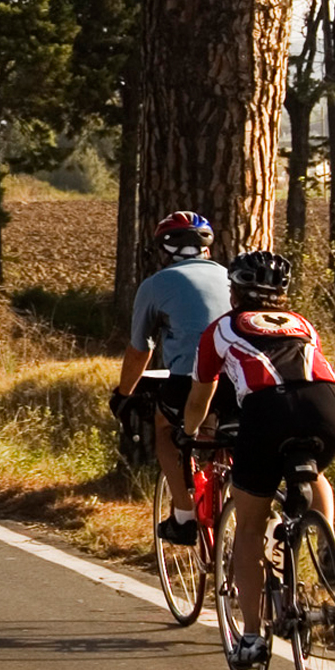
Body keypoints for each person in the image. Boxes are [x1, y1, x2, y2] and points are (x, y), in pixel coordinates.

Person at [180, 250, 335, 669]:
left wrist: (188, 433)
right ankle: (325, 543)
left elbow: (201, 396)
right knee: (317, 471)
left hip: (267, 412)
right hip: (329, 409)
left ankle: (252, 638)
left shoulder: (221, 329)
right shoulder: (303, 324)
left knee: (250, 526)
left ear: (234, 292)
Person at [111, 211, 234, 547]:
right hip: (240, 380)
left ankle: (184, 515)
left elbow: (140, 350)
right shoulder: (229, 277)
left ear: (164, 250)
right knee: (218, 431)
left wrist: (124, 393)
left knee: (166, 425)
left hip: (192, 380)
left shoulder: (156, 285)